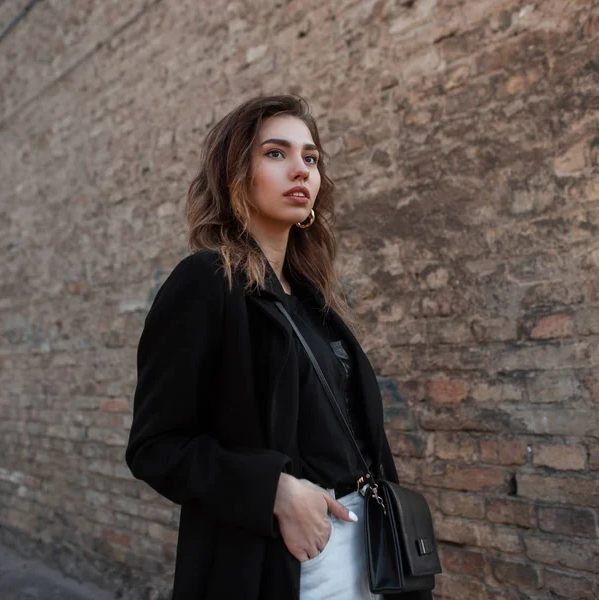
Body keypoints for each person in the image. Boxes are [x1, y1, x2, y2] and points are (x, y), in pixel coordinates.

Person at [125, 95, 432, 600]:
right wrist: (274, 489)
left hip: (370, 551)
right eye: (275, 153)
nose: (300, 170)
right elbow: (155, 447)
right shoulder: (205, 282)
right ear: (234, 174)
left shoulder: (311, 297)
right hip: (286, 562)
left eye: (310, 158)